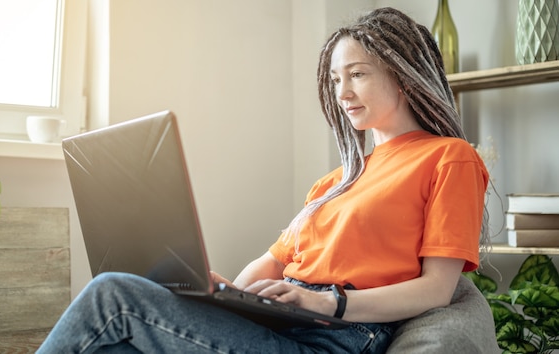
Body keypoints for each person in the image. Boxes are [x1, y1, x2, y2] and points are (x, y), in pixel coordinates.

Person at [37, 7, 497, 354]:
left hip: (336, 336)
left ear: (404, 78)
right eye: (336, 79)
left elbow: (436, 289)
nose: (342, 93)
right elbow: (269, 265)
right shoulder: (333, 183)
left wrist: (326, 304)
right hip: (281, 319)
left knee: (112, 296)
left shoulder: (448, 159)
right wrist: (221, 295)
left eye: (357, 75)